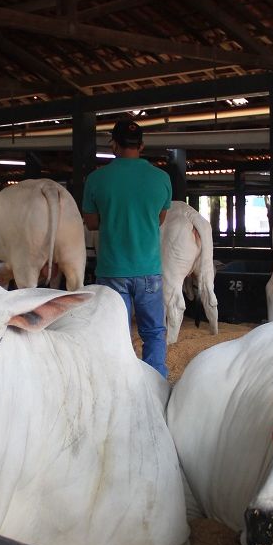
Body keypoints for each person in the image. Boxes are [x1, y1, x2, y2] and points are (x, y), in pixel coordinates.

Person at [82, 119, 172, 378]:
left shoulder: (97, 179)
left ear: (114, 145)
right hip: (149, 270)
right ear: (141, 145)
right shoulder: (161, 178)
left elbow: (91, 223)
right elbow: (159, 218)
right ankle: (156, 384)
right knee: (154, 332)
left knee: (115, 332)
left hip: (112, 271)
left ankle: (119, 383)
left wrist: (113, 217)